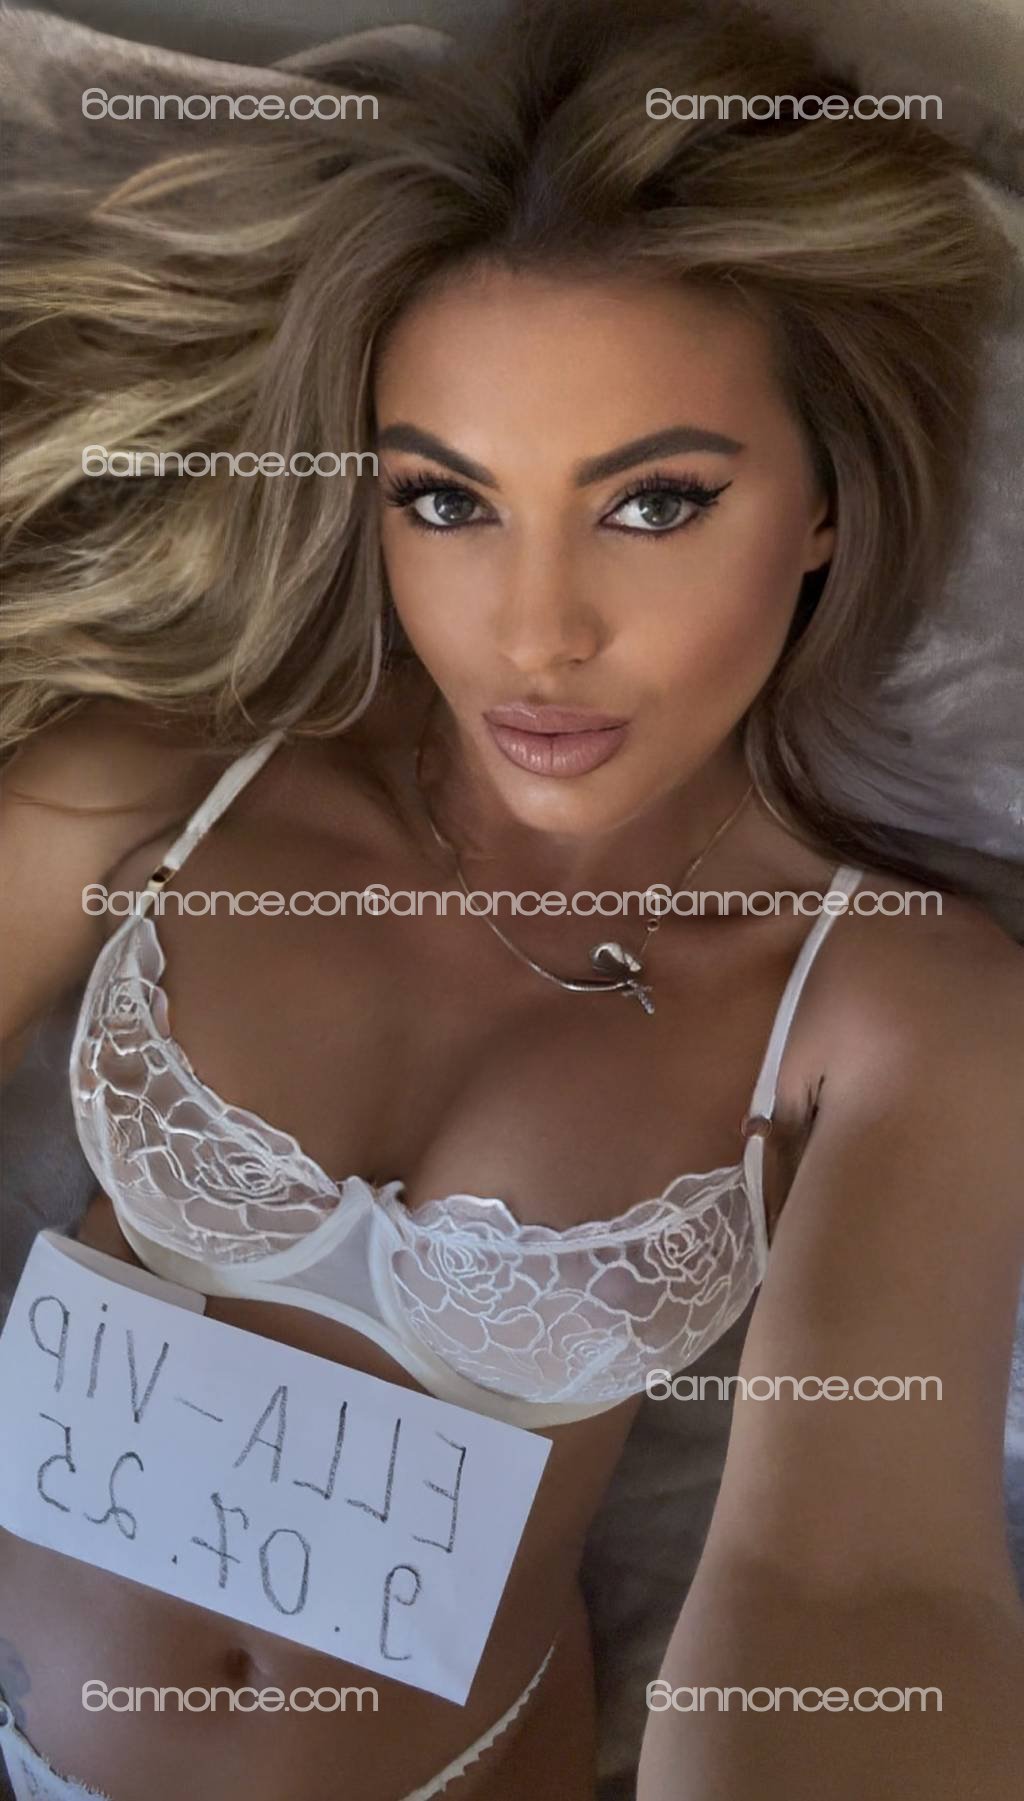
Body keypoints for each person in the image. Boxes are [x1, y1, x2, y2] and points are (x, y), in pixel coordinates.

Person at [1, 1, 1022, 1796]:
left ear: (824, 506)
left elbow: (856, 1581)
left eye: (656, 505)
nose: (536, 632)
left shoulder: (893, 1004)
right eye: (448, 501)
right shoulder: (178, 777)